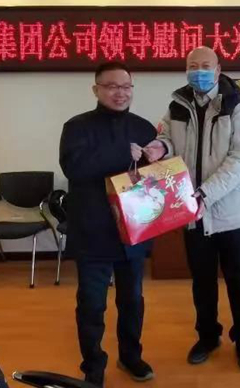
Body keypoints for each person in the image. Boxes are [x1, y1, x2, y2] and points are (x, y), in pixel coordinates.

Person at [142, 46, 240, 371]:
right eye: (192, 66)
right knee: (202, 281)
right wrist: (159, 147)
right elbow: (168, 137)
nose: (199, 71)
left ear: (218, 70)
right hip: (192, 212)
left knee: (238, 280)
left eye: (205, 66)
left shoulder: (236, 106)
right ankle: (208, 336)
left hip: (229, 212)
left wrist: (206, 193)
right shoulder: (178, 104)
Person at [59, 61, 156, 386]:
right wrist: (122, 154)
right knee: (91, 304)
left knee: (132, 301)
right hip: (93, 230)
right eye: (112, 86)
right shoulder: (77, 127)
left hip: (134, 231)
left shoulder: (143, 128)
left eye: (126, 87)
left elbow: (155, 177)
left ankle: (130, 356)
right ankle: (93, 366)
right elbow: (75, 168)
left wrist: (159, 154)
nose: (120, 93)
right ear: (96, 89)